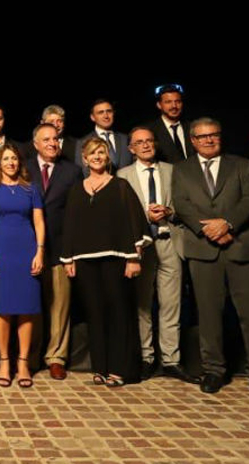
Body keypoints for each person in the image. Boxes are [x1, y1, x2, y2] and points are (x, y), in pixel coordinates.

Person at [173, 118, 249, 401]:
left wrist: (227, 224)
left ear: (220, 137)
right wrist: (208, 230)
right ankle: (213, 370)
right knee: (209, 314)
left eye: (214, 135)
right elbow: (182, 204)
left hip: (242, 248)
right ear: (193, 141)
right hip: (202, 250)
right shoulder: (182, 169)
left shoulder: (242, 165)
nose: (209, 140)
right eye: (202, 136)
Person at [61, 138, 149, 387]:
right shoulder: (77, 189)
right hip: (85, 262)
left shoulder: (121, 186)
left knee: (119, 312)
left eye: (101, 152)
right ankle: (100, 367)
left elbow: (135, 223)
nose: (97, 157)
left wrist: (133, 258)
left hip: (116, 259)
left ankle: (120, 369)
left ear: (108, 156)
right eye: (92, 153)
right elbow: (70, 225)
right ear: (85, 159)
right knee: (95, 313)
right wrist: (68, 259)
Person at [118, 127, 198, 383]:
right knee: (142, 305)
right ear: (131, 149)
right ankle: (146, 357)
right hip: (142, 247)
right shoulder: (123, 175)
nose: (145, 145)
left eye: (149, 141)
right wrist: (145, 215)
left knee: (171, 305)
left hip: (169, 242)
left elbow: (186, 205)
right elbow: (121, 212)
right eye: (139, 142)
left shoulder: (173, 171)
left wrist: (169, 212)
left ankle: (171, 360)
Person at [0, 143, 45, 388]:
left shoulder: (31, 189)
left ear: (20, 162)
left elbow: (39, 222)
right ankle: (4, 361)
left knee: (27, 308)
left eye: (14, 158)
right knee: (3, 308)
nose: (11, 163)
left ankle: (23, 362)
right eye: (6, 159)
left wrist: (39, 252)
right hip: (0, 251)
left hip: (26, 251)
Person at [26, 123, 79, 380]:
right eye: (46, 139)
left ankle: (56, 357)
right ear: (35, 144)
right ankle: (31, 356)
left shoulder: (72, 171)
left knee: (60, 305)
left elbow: (77, 214)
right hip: (29, 248)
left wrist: (71, 252)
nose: (52, 143)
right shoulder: (23, 168)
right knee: (32, 304)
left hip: (60, 248)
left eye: (55, 139)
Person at [74, 99, 132, 173]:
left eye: (109, 111)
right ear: (92, 117)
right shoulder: (83, 142)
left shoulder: (125, 139)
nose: (106, 116)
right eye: (100, 112)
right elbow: (82, 170)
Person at [147, 84, 193, 164]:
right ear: (159, 105)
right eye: (168, 102)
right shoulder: (150, 130)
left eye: (177, 101)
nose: (174, 106)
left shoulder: (192, 127)